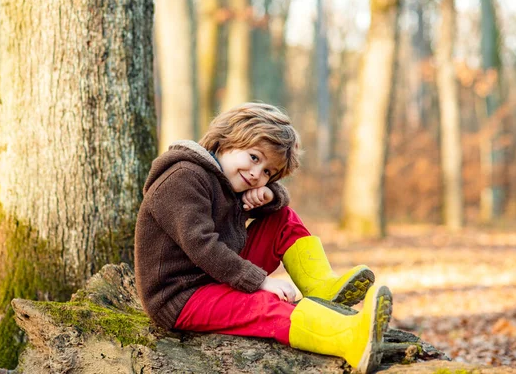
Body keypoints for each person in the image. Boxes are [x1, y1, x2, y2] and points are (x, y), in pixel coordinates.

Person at [135, 102, 393, 373]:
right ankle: (349, 338)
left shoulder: (226, 177)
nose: (256, 175)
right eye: (254, 158)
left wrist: (270, 195)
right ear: (226, 141)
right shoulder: (184, 177)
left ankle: (321, 288)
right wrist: (259, 282)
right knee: (264, 304)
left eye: (268, 172)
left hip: (214, 272)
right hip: (182, 295)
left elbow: (276, 205)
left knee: (283, 219)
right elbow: (202, 246)